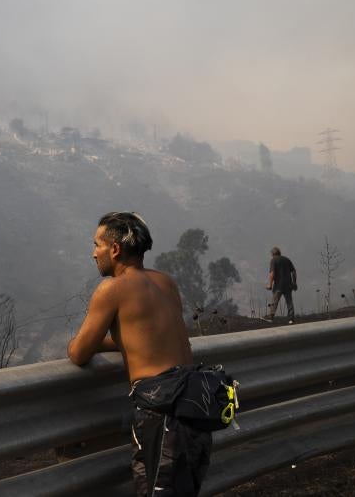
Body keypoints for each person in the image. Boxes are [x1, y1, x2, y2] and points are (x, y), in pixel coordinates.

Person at [68, 212, 211, 496]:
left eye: (96, 244)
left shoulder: (112, 289)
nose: (93, 254)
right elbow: (147, 338)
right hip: (195, 400)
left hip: (162, 409)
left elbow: (79, 353)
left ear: (115, 249)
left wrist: (82, 343)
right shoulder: (165, 282)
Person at [264, 247, 297, 324]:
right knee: (289, 302)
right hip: (288, 284)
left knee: (275, 300)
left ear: (272, 254)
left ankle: (271, 316)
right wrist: (294, 283)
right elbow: (294, 272)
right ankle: (291, 319)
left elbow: (272, 273)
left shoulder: (273, 260)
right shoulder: (287, 259)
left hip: (278, 285)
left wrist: (270, 284)